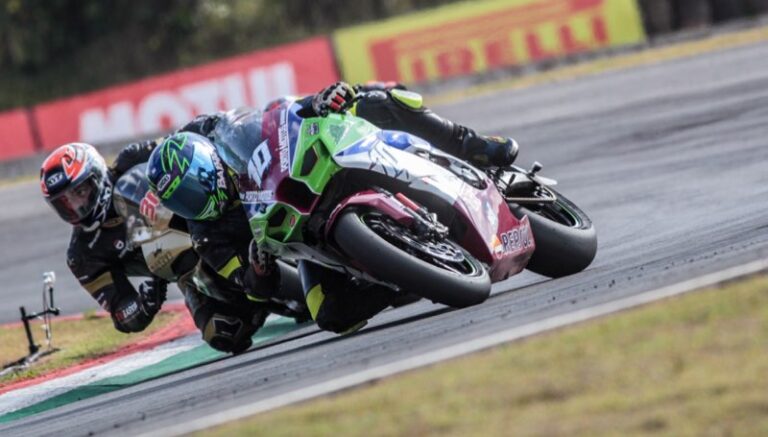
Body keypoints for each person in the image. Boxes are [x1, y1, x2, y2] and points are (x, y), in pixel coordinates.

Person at [145, 81, 518, 334]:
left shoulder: (225, 134)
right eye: (183, 201)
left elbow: (278, 116)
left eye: (192, 188)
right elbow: (253, 289)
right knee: (330, 314)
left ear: (206, 163)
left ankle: (471, 144)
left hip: (314, 172)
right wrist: (259, 269)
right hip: (305, 238)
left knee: (375, 99)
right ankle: (406, 276)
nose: (194, 202)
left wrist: (319, 102)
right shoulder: (207, 237)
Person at [39, 142, 288, 353]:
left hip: (208, 219)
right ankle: (256, 303)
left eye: (80, 192)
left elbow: (186, 148)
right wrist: (144, 304)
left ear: (97, 176)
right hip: (186, 275)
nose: (76, 206)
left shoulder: (134, 156)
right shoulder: (82, 255)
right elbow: (121, 313)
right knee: (223, 334)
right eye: (65, 203)